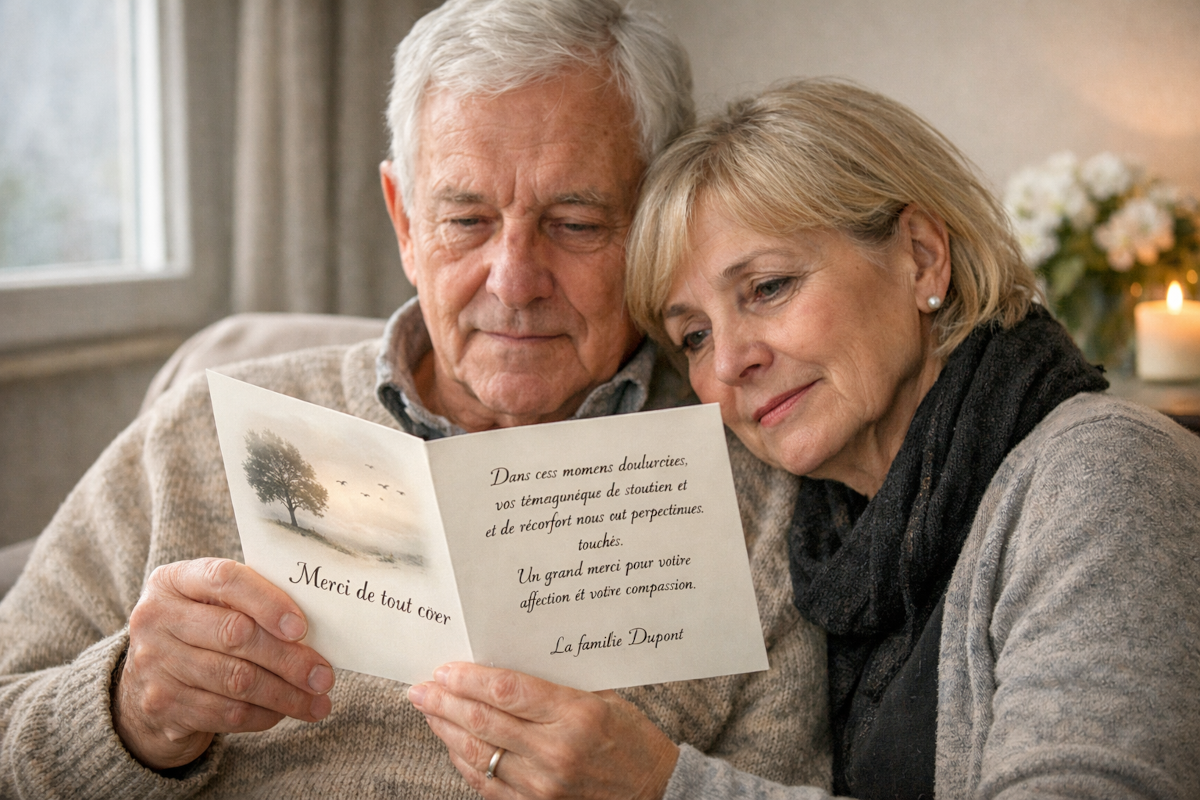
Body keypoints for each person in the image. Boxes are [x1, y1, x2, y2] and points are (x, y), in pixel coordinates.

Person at [0, 4, 831, 797]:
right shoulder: (204, 430)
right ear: (404, 221)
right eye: (466, 220)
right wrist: (130, 711)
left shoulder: (754, 487)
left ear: (657, 224)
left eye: (576, 223)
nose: (514, 282)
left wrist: (654, 789)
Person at [410, 78, 1200, 799]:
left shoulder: (1106, 473)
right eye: (693, 336)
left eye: (768, 288)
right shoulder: (826, 532)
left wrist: (660, 787)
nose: (731, 362)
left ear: (922, 257)